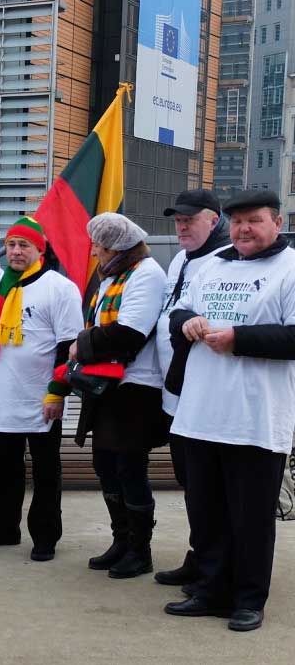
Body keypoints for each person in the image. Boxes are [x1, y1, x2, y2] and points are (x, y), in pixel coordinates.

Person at [164, 190, 295, 632]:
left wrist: (239, 338)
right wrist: (185, 322)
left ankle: (248, 598)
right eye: (237, 221)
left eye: (254, 221)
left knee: (251, 517)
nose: (244, 229)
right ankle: (210, 589)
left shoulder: (290, 268)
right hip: (201, 413)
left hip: (256, 418)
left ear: (276, 223)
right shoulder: (212, 264)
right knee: (206, 512)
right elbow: (177, 311)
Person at [0, 217, 81, 562]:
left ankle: (44, 535)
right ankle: (5, 526)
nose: (15, 251)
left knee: (45, 471)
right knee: (5, 467)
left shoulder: (59, 287)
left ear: (39, 249)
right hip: (0, 393)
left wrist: (57, 391)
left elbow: (70, 345)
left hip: (41, 397)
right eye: (11, 244)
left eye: (23, 245)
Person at [63, 213, 167, 579]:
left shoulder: (146, 274)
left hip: (135, 389)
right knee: (105, 465)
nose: (92, 250)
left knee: (129, 468)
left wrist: (82, 344)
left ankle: (140, 550)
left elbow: (130, 333)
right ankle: (121, 540)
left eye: (97, 245)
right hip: (107, 384)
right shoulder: (112, 274)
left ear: (114, 247)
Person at [153, 190, 230, 587]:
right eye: (177, 220)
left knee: (209, 486)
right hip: (174, 394)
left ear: (213, 220)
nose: (181, 226)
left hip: (204, 396)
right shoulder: (182, 259)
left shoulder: (226, 260)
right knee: (190, 482)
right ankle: (201, 554)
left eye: (189, 219)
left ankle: (215, 563)